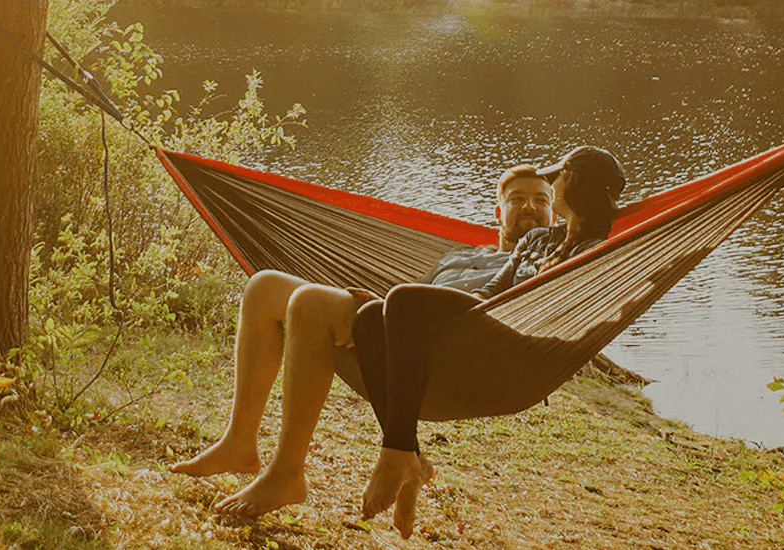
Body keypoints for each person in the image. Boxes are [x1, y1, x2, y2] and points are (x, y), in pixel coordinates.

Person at [167, 165, 557, 517]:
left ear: (555, 215)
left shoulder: (543, 260)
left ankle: (287, 473)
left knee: (309, 303)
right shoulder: (457, 256)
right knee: (263, 287)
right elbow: (414, 298)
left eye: (541, 200)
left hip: (456, 358)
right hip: (395, 333)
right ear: (497, 212)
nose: (529, 207)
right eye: (517, 199)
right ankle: (240, 442)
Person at [351, 146, 627, 537]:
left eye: (558, 179)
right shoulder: (538, 238)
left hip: (518, 343)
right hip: (490, 318)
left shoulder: (595, 250)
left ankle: (395, 455)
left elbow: (598, 297)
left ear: (574, 187)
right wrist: (457, 310)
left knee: (402, 299)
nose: (552, 187)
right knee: (367, 319)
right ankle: (407, 453)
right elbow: (498, 286)